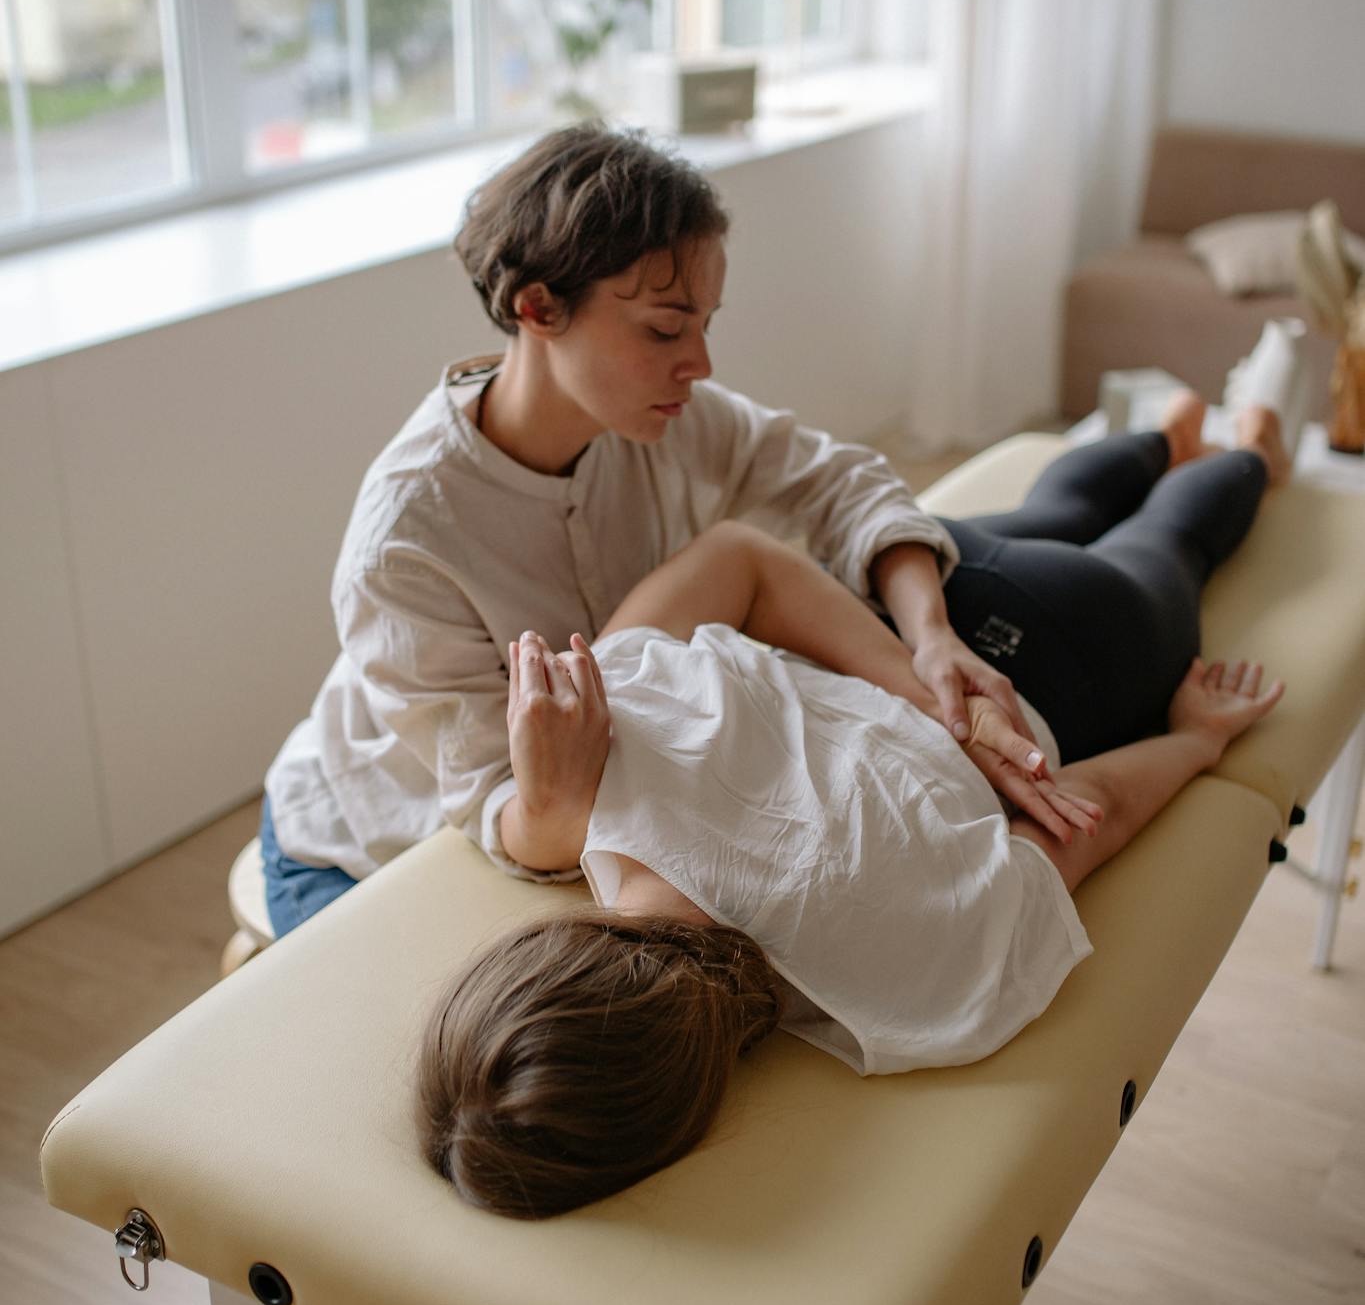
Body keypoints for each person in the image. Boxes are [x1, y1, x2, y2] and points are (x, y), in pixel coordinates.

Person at [260, 120, 1034, 1305]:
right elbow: (493, 815)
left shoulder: (665, 419)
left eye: (705, 328)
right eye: (665, 325)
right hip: (370, 846)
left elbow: (841, 482)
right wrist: (552, 809)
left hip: (568, 811)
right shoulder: (409, 536)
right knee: (457, 1148)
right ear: (536, 310)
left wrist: (926, 635)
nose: (693, 362)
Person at [417, 397, 1287, 1224]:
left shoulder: (924, 1001)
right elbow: (739, 558)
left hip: (1079, 658)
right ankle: (1170, 435)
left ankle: (1250, 448)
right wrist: (929, 670)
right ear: (537, 949)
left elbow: (1079, 813)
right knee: (1058, 504)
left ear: (678, 1101)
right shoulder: (604, 739)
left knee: (1171, 541)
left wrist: (1196, 739)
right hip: (919, 602)